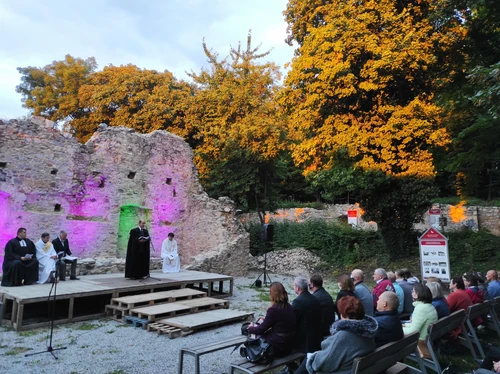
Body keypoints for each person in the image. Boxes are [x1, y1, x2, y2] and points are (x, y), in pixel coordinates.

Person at [297, 296, 377, 374]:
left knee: (308, 360)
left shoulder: (343, 336)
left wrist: (312, 359)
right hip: (354, 369)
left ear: (344, 315)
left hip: (343, 370)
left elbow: (324, 364)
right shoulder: (368, 332)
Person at [247, 282, 296, 357]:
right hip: (289, 344)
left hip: (278, 346)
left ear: (273, 294)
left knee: (254, 336)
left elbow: (261, 329)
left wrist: (250, 328)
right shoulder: (289, 307)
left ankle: (251, 353)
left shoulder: (273, 310)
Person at [403, 283, 438, 359]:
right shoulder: (429, 306)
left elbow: (413, 331)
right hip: (426, 338)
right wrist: (405, 325)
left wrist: (398, 329)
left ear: (417, 294)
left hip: (420, 341)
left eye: (413, 291)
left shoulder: (420, 308)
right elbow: (420, 325)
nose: (411, 293)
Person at [292, 276, 322, 354]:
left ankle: (293, 366)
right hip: (317, 338)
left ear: (298, 288)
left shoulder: (297, 301)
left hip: (304, 342)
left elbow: (293, 321)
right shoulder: (315, 298)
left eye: (294, 286)